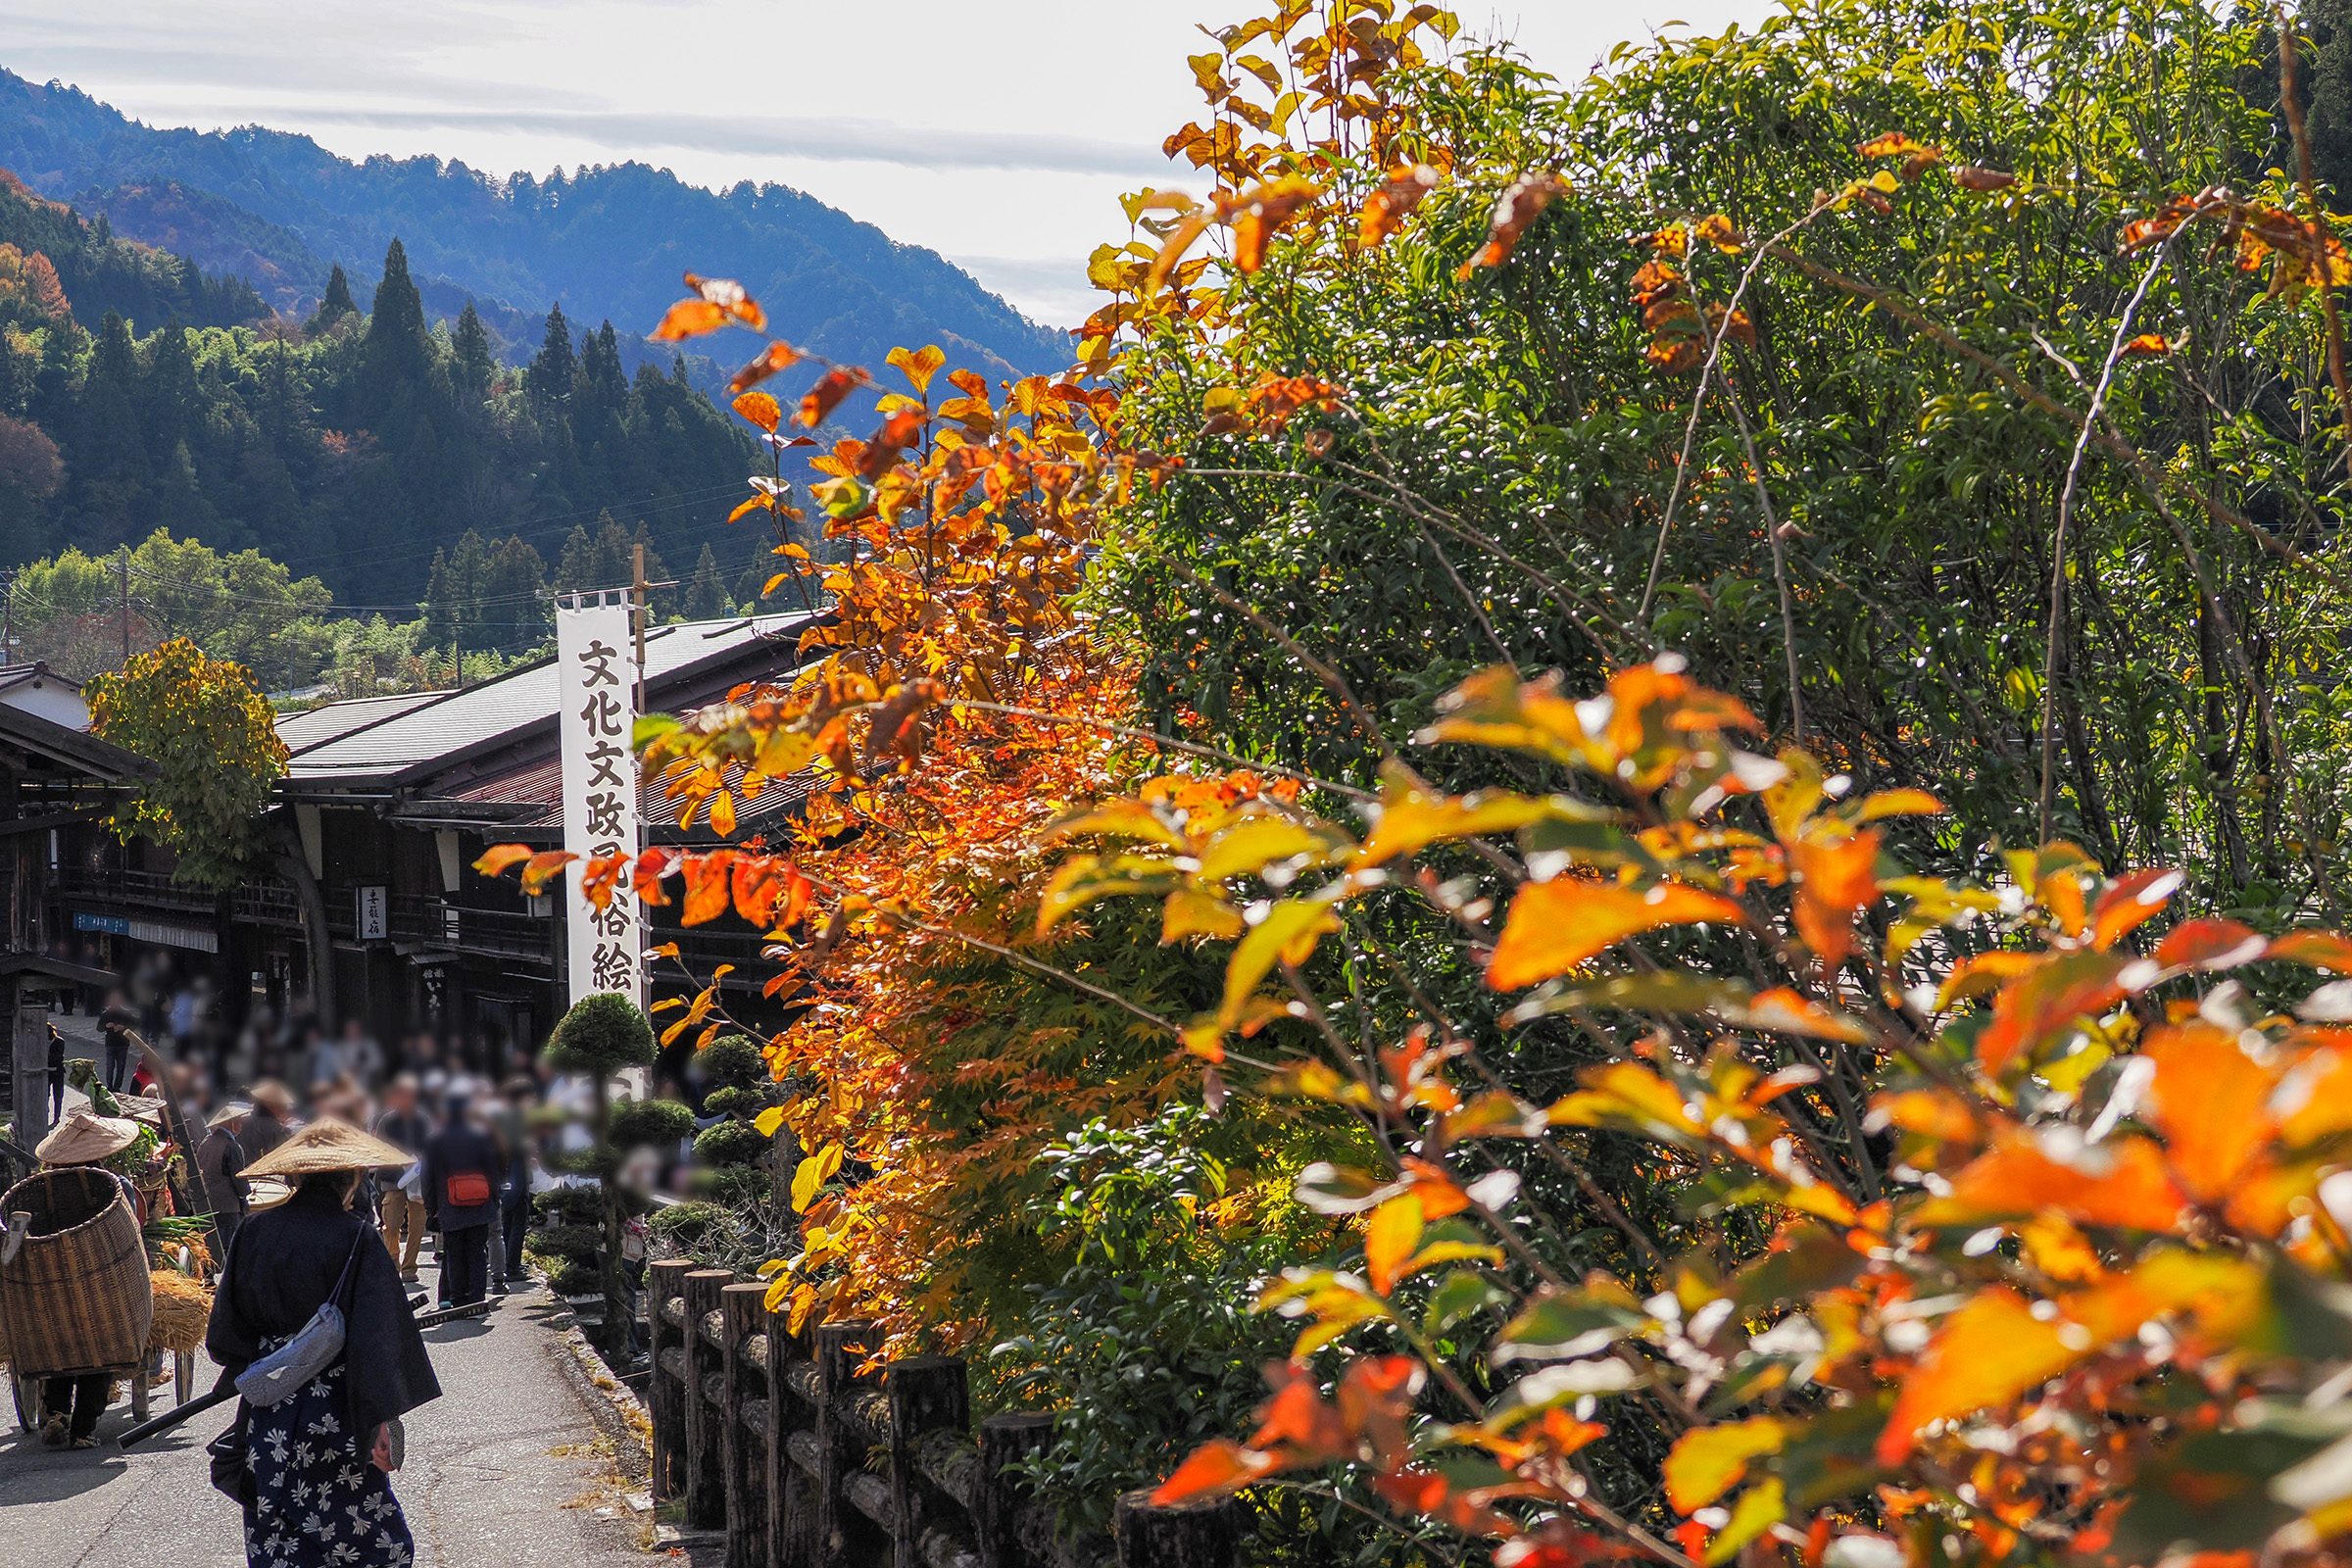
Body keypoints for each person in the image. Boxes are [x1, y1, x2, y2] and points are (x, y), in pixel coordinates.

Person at [207, 1118, 441, 1568]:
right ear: (353, 1177)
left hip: (270, 1403)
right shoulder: (356, 1237)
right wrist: (383, 1421)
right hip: (339, 1408)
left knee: (278, 1527)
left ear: (292, 1177)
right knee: (367, 1538)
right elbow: (379, 1340)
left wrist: (260, 1364)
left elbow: (225, 1336)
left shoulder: (252, 1233)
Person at [31, 1109, 147, 1447]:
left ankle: (55, 1412)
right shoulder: (114, 1186)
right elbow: (133, 1231)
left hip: (52, 1283)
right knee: (101, 1352)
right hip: (103, 1282)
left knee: (60, 1349)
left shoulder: (41, 1189)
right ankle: (82, 1430)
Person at [422, 1089, 503, 1308]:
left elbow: (427, 1177)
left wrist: (431, 1208)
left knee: (454, 1252)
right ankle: (477, 1298)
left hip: (449, 1203)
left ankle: (457, 1299)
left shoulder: (434, 1140)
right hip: (480, 1202)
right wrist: (495, 1199)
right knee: (477, 1252)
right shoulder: (480, 1135)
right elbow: (492, 1171)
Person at [371, 1076, 431, 1284]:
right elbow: (380, 1147)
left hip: (417, 1180)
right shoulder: (386, 1120)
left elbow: (430, 1144)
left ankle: (409, 1267)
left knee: (417, 1225)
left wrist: (421, 1157)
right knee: (392, 1223)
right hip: (392, 1178)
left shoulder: (423, 1119)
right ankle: (392, 1262)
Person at [493, 1076, 537, 1292]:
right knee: (518, 1222)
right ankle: (512, 1266)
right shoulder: (517, 1117)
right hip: (517, 1177)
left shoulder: (500, 1115)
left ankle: (510, 1263)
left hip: (505, 1177)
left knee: (507, 1223)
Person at [198, 1101, 253, 1252]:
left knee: (212, 1246)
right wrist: (245, 1194)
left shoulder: (206, 1142)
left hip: (208, 1202)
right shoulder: (232, 1147)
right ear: (231, 1123)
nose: (241, 1125)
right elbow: (238, 1179)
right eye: (239, 1122)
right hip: (227, 1207)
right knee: (229, 1248)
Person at [98, 992, 139, 1093]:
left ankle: (117, 1087)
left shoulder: (126, 1013)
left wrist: (123, 1027)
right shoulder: (106, 1014)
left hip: (122, 1043)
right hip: (110, 1043)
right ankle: (109, 1086)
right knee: (110, 1066)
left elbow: (134, 1025)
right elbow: (99, 1028)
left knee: (121, 1067)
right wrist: (106, 1026)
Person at [241, 1081, 294, 1160]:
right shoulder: (275, 1128)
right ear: (269, 1104)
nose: (283, 1107)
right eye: (281, 1104)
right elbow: (283, 1157)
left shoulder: (241, 1122)